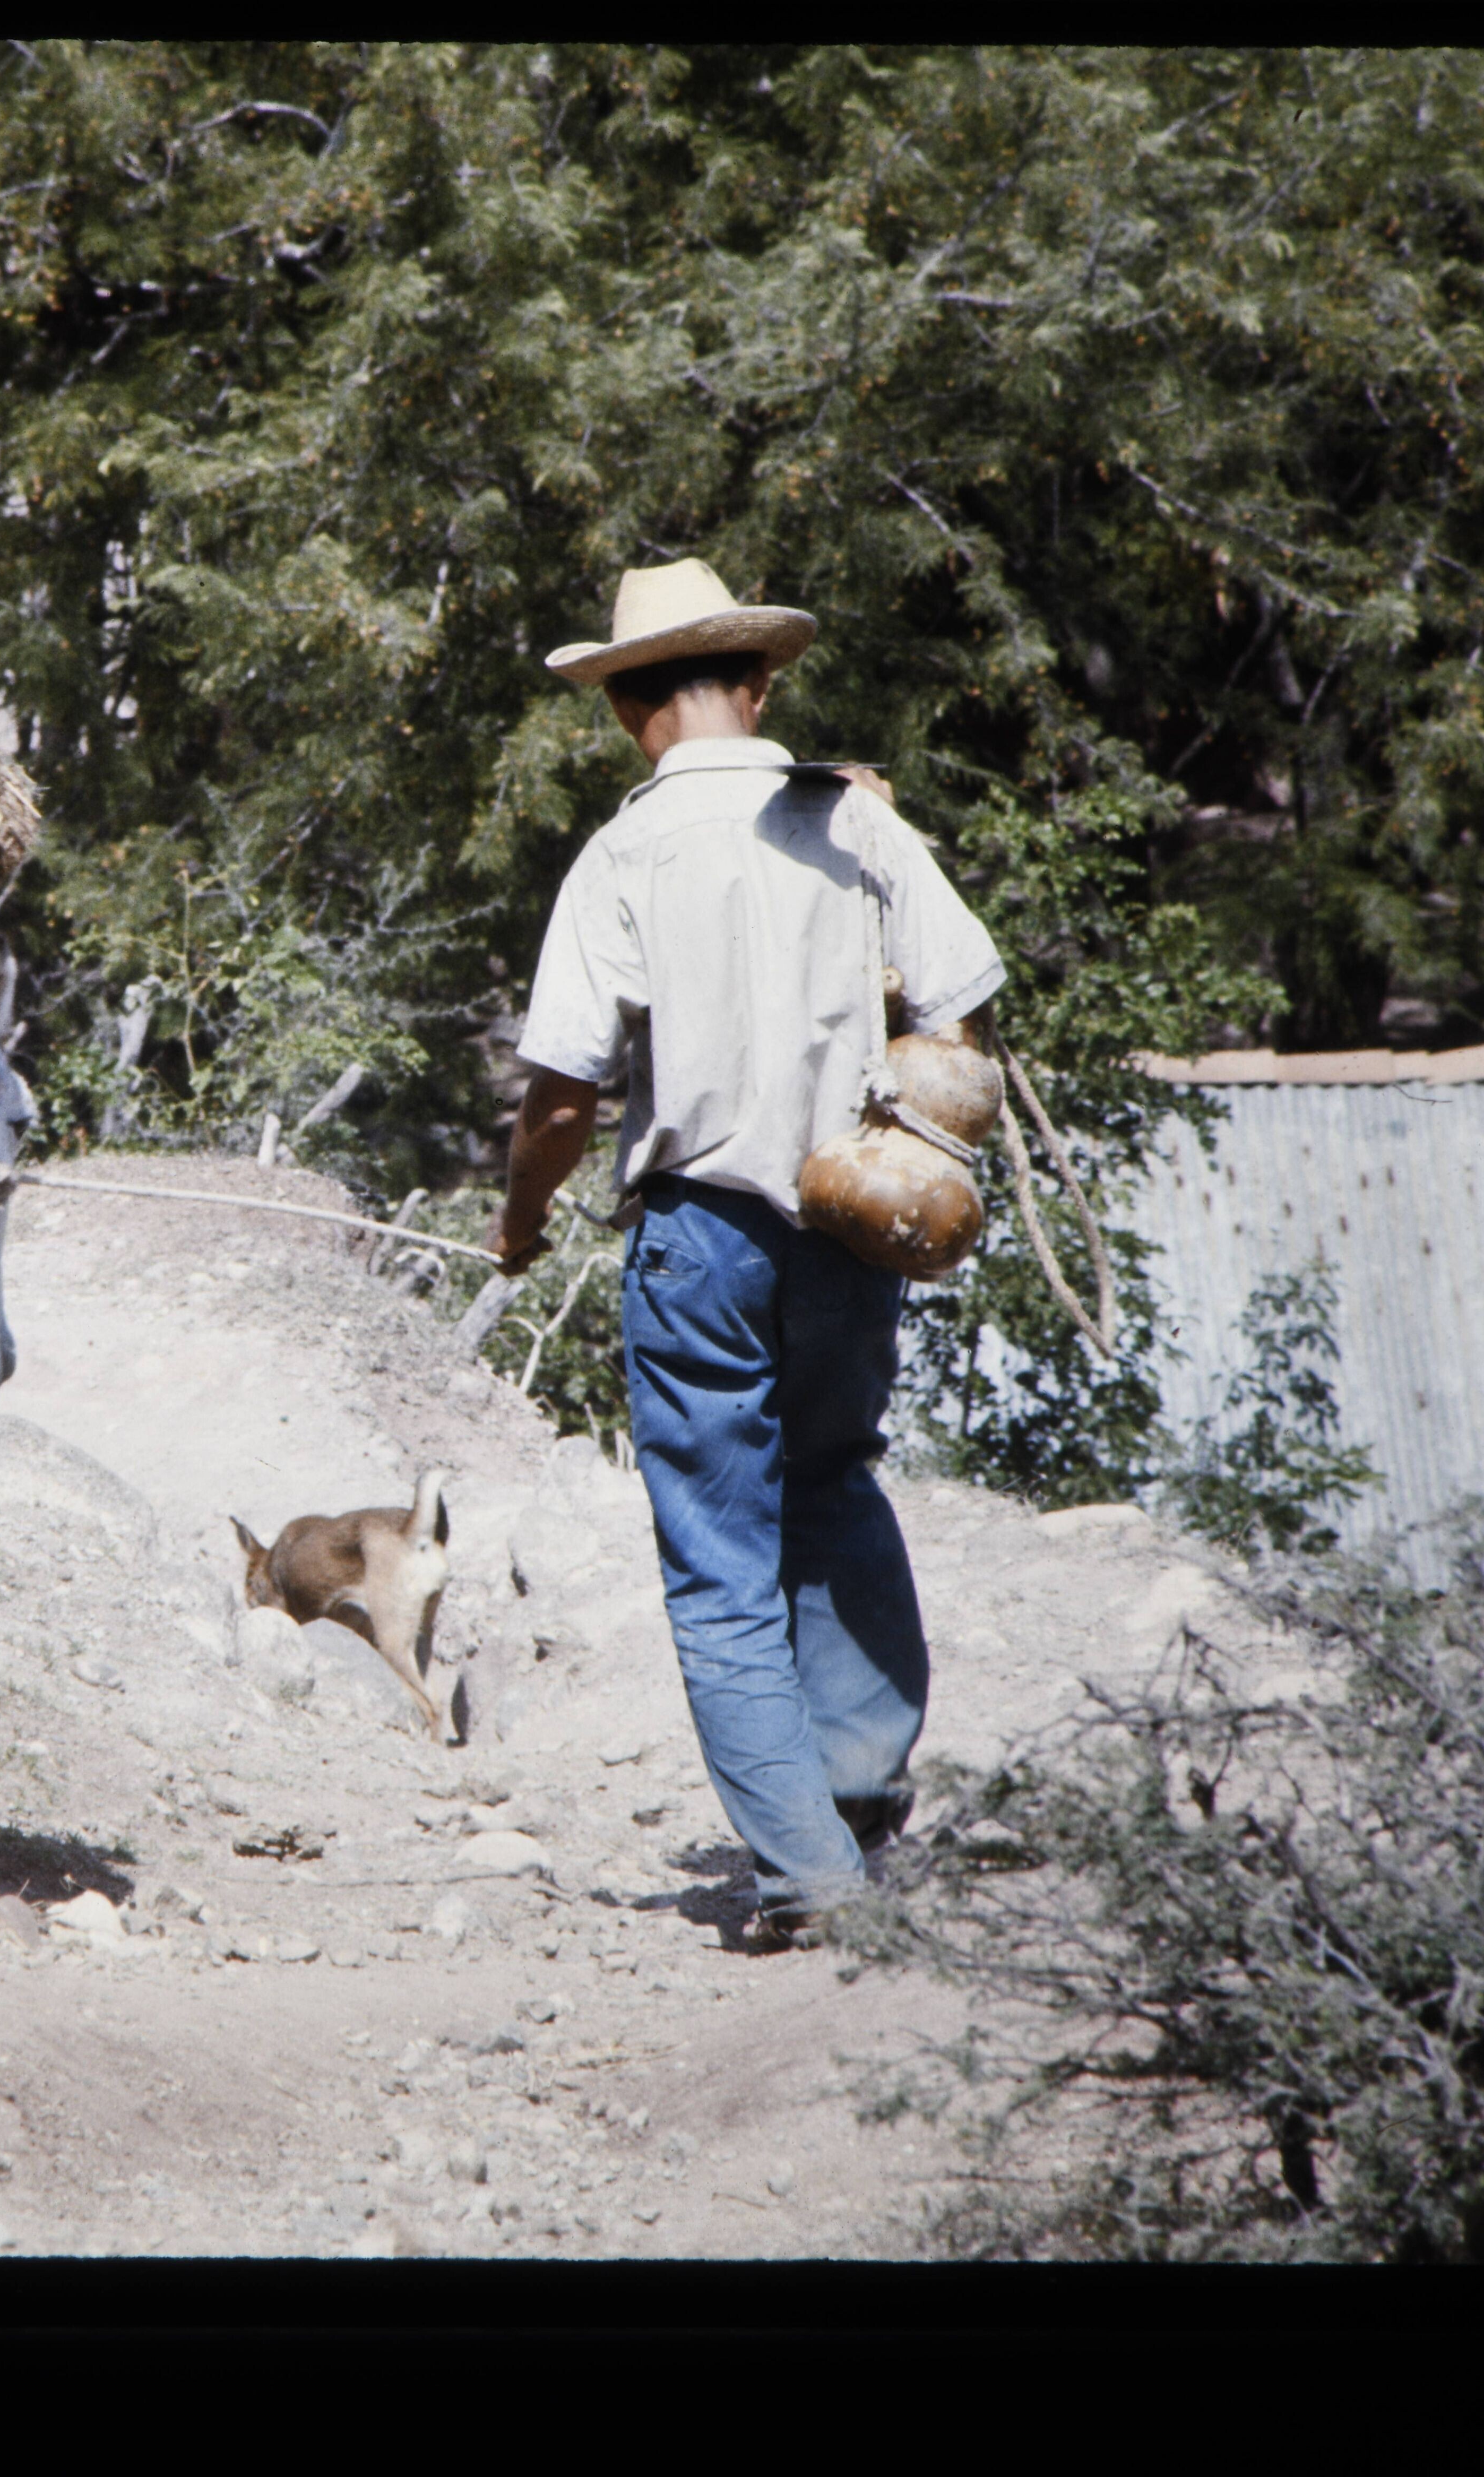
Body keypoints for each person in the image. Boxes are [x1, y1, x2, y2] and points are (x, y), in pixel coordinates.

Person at [488, 560, 1007, 1947]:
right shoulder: (856, 818)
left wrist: (520, 1223)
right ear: (761, 687)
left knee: (720, 1562)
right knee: (836, 1487)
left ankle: (810, 1879)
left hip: (701, 1240)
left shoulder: (622, 857)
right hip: (849, 1228)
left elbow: (560, 1100)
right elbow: (962, 1013)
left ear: (625, 709)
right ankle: (858, 1805)